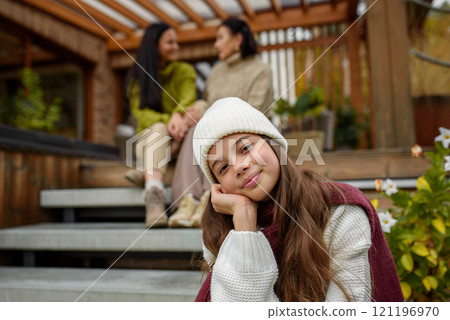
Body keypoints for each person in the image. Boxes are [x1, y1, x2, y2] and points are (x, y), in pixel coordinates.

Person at [192, 97, 404, 302]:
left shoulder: (339, 212)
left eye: (245, 148)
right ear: (219, 186)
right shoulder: (221, 230)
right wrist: (245, 229)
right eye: (223, 168)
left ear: (273, 144)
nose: (239, 166)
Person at [168, 18, 274, 228]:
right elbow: (206, 99)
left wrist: (209, 115)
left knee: (212, 134)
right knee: (195, 130)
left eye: (220, 37)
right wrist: (195, 110)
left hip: (246, 135)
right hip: (213, 133)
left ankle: (208, 198)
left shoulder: (261, 70)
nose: (215, 45)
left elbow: (254, 111)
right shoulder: (216, 72)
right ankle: (189, 200)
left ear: (238, 39)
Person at [123, 23, 198, 228]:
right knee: (158, 128)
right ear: (154, 45)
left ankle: (145, 173)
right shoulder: (138, 78)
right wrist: (169, 120)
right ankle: (154, 200)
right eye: (170, 42)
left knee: (198, 111)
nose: (176, 46)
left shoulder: (184, 70)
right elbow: (141, 115)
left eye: (176, 42)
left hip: (178, 140)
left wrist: (177, 116)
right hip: (148, 140)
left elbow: (188, 97)